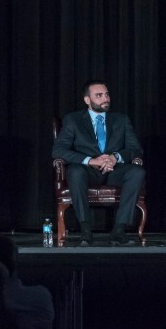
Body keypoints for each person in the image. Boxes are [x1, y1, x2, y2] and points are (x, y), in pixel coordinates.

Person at [52, 80, 146, 246]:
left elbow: (135, 149)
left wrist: (115, 157)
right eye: (99, 95)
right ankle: (86, 232)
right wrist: (91, 161)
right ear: (87, 100)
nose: (105, 99)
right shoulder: (73, 120)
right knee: (75, 171)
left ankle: (119, 231)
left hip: (114, 170)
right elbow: (58, 150)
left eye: (107, 95)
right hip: (87, 171)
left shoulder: (121, 120)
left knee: (137, 172)